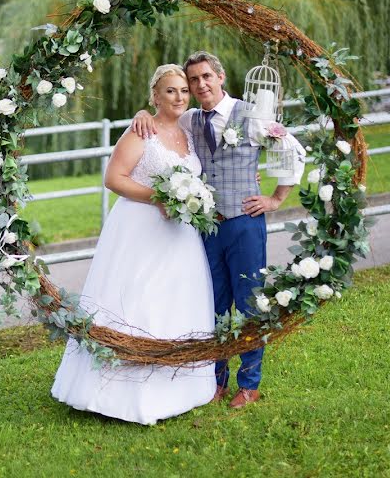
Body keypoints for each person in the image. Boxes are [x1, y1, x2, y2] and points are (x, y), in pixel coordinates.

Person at [131, 51, 305, 409]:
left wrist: (275, 198)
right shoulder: (191, 118)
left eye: (206, 76)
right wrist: (142, 113)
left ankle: (249, 384)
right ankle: (216, 380)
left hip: (244, 224)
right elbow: (162, 119)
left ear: (221, 77)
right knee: (212, 306)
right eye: (193, 80)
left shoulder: (252, 115)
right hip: (207, 228)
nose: (200, 85)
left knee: (248, 303)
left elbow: (294, 151)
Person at [51, 64, 217, 425]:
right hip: (140, 229)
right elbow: (114, 178)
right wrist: (157, 196)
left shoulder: (189, 128)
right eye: (170, 91)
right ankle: (115, 393)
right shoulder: (142, 129)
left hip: (179, 236)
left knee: (175, 302)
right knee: (135, 302)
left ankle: (179, 386)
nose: (179, 97)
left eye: (183, 91)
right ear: (154, 96)